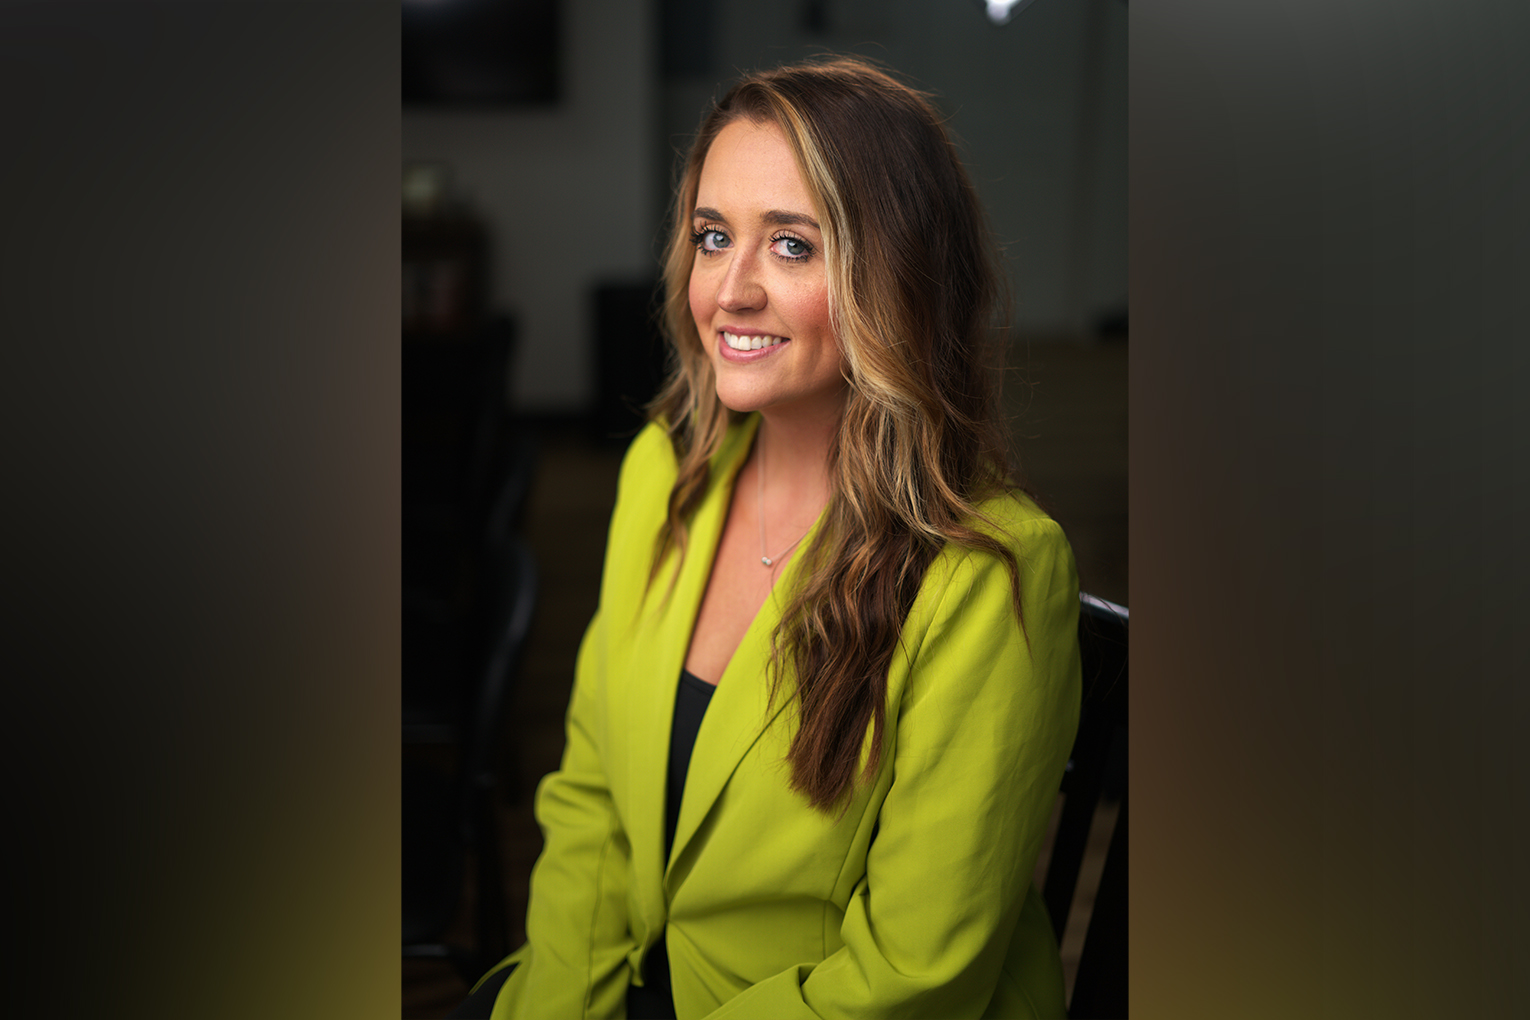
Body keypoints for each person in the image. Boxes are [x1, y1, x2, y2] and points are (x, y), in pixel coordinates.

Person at [455, 56, 1081, 1020]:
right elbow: (592, 799)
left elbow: (914, 973)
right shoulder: (663, 472)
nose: (730, 289)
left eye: (791, 246)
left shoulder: (992, 575)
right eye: (713, 237)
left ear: (899, 275)